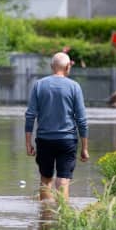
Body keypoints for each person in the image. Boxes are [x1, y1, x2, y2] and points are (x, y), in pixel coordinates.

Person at [24, 52, 89, 201]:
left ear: (51, 66)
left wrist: (28, 143)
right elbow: (82, 119)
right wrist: (84, 148)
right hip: (67, 141)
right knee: (63, 180)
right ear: (68, 67)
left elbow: (30, 115)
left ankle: (45, 220)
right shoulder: (74, 87)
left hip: (44, 140)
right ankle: (63, 217)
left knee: (46, 180)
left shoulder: (39, 85)